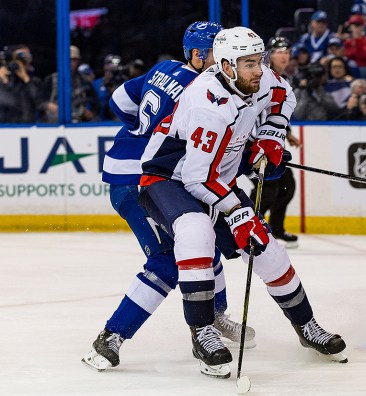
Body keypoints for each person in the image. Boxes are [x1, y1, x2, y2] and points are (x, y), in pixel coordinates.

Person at [138, 26, 348, 379]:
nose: (258, 70)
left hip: (214, 177)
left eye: (259, 60)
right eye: (248, 63)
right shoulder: (207, 104)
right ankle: (201, 332)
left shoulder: (258, 77)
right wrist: (238, 212)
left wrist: (270, 135)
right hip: (169, 177)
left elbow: (283, 93)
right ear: (226, 66)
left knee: (265, 246)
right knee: (196, 231)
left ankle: (307, 327)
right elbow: (196, 178)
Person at [82, 21, 255, 373]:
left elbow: (119, 102)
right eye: (217, 54)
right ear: (196, 55)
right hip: (142, 179)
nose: (226, 61)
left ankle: (213, 316)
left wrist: (142, 131)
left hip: (150, 171)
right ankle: (111, 336)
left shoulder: (163, 68)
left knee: (201, 238)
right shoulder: (204, 89)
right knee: (166, 261)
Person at [249, 36, 301, 248]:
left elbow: (273, 112)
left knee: (287, 185)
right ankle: (246, 227)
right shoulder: (258, 76)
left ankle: (276, 229)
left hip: (267, 143)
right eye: (280, 51)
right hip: (250, 144)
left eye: (287, 52)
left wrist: (286, 132)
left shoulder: (281, 79)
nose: (285, 55)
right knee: (268, 188)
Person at [42, 46, 99, 123]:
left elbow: (95, 102)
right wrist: (48, 105)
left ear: (78, 61)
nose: (70, 63)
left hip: (79, 121)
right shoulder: (51, 80)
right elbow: (40, 101)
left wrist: (90, 113)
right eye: (68, 59)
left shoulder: (84, 81)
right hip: (53, 123)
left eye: (74, 60)